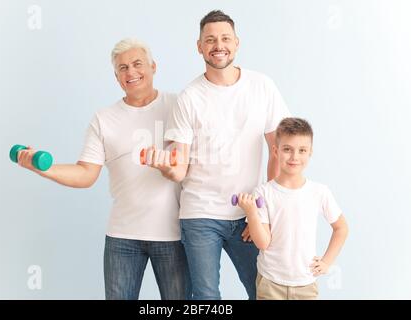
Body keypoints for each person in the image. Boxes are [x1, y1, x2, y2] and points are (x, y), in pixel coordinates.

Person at [17, 38, 191, 300]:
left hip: (173, 235)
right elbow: (86, 173)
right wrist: (43, 168)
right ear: (116, 77)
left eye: (137, 64)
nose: (130, 72)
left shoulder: (178, 106)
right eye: (122, 68)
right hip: (122, 238)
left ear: (153, 66)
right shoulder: (104, 118)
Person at [144, 10, 290, 300]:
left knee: (263, 291)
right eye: (209, 40)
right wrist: (164, 166)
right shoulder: (189, 98)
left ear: (236, 43)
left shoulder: (262, 86)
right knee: (206, 297)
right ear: (199, 47)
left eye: (224, 38)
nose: (218, 45)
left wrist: (262, 212)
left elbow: (279, 150)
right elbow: (179, 168)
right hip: (200, 214)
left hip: (248, 212)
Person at [236, 117, 349, 300]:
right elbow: (263, 243)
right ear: (275, 151)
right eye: (287, 149)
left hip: (305, 284)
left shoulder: (319, 192)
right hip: (270, 283)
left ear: (310, 152)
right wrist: (251, 213)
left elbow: (341, 228)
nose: (295, 157)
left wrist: (327, 262)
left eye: (302, 150)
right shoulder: (263, 193)